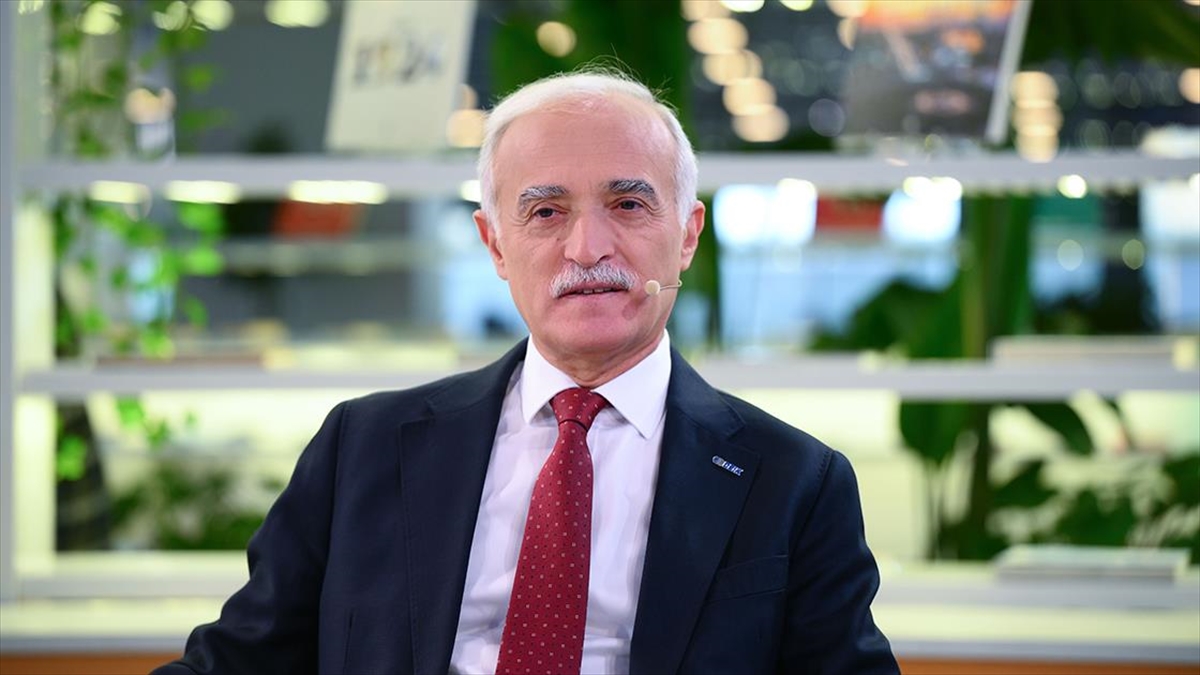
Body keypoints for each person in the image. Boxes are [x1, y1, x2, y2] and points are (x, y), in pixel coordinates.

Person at [153, 69, 898, 675]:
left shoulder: (794, 482)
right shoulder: (363, 446)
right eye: (545, 212)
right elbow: (238, 661)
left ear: (687, 235)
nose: (587, 247)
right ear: (495, 245)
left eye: (628, 203)